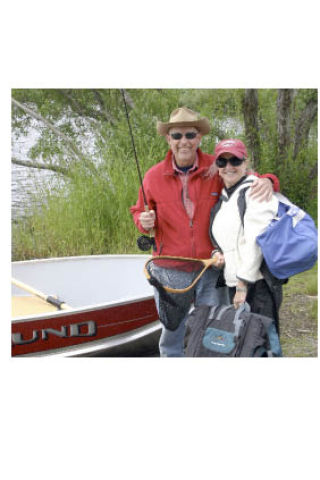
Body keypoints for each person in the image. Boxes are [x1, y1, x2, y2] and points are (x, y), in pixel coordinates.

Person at [130, 107, 280, 357]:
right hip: (169, 270)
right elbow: (138, 212)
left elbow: (248, 178)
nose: (183, 141)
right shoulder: (152, 176)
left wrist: (269, 181)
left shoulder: (218, 165)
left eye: (190, 134)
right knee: (172, 332)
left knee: (213, 328)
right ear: (168, 139)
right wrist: (143, 221)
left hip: (210, 268)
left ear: (199, 137)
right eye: (176, 136)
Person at [210, 139, 284, 333]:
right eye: (222, 162)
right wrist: (218, 254)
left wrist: (242, 286)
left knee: (262, 344)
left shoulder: (255, 191)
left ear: (246, 162)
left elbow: (255, 241)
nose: (229, 167)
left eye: (235, 160)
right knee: (243, 344)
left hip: (257, 285)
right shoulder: (226, 196)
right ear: (217, 166)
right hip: (234, 283)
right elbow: (229, 238)